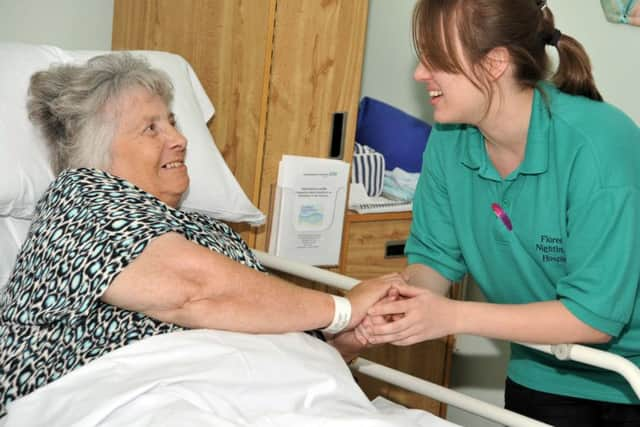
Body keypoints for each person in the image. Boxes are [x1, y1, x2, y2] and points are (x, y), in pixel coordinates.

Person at [0, 52, 397, 417]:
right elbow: (192, 291)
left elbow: (272, 321)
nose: (179, 139)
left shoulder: (208, 231)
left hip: (274, 390)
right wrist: (342, 310)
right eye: (151, 128)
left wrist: (347, 339)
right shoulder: (80, 197)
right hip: (139, 390)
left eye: (171, 121)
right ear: (98, 151)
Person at [359, 0, 640, 426]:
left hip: (630, 380)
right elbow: (435, 258)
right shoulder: (450, 141)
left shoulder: (598, 145)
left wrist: (450, 316)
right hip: (542, 369)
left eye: (436, 59)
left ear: (494, 63)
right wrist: (404, 299)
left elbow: (592, 316)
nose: (420, 73)